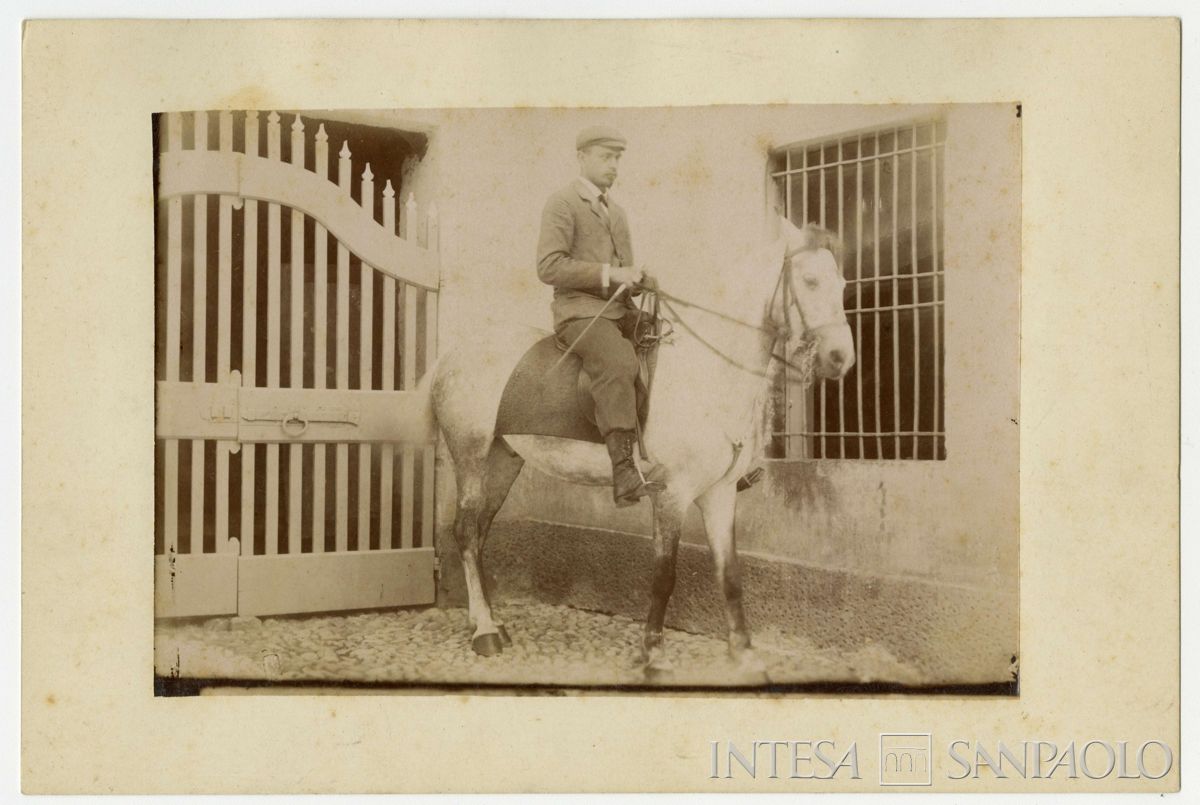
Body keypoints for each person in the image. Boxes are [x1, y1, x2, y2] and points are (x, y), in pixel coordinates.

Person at [536, 125, 659, 507]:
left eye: (617, 158)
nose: (614, 165)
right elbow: (549, 266)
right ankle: (623, 471)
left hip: (619, 311)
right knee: (618, 361)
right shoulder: (562, 203)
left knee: (673, 346)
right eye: (606, 157)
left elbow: (624, 275)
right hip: (580, 313)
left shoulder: (617, 213)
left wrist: (640, 280)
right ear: (582, 157)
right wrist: (611, 274)